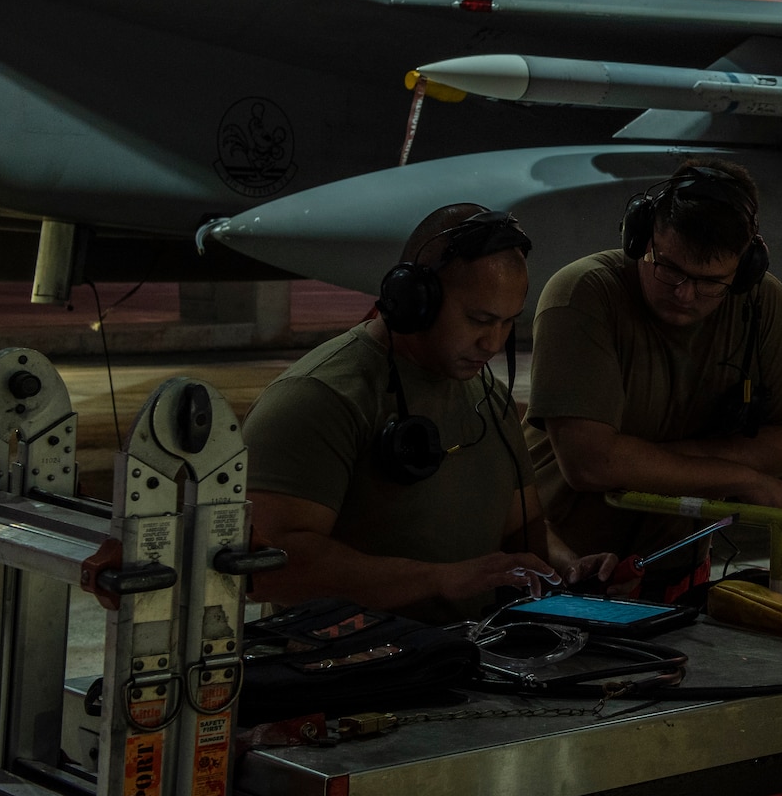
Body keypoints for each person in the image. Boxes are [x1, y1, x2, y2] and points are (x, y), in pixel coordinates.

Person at [244, 204, 612, 623]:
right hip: (359, 673)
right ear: (415, 298)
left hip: (475, 661)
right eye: (478, 319)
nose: (492, 343)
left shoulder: (488, 398)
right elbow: (272, 569)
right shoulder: (316, 398)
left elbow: (522, 529)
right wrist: (440, 579)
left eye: (508, 323)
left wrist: (565, 567)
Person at [525, 159, 782, 597]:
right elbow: (590, 462)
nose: (684, 294)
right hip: (564, 574)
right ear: (640, 238)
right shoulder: (583, 293)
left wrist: (660, 458)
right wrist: (738, 477)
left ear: (744, 271)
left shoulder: (763, 304)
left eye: (710, 282)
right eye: (668, 268)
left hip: (677, 576)